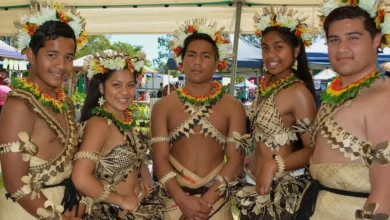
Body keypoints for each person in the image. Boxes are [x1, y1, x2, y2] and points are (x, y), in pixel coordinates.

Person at [295, 1, 390, 219]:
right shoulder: (335, 91)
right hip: (318, 205)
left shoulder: (383, 98)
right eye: (334, 40)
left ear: (376, 40)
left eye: (353, 38)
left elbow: (386, 191)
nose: (342, 48)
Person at [151, 18, 249, 220]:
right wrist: (183, 201)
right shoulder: (162, 107)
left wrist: (204, 205)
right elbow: (159, 159)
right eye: (191, 55)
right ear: (182, 60)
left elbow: (235, 161)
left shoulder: (234, 107)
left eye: (205, 56)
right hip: (173, 200)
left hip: (216, 203)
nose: (197, 62)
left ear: (217, 62)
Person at [0, 2, 88, 220]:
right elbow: (14, 183)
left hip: (66, 203)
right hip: (26, 211)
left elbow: (72, 162)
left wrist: (80, 202)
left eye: (68, 57)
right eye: (52, 54)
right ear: (30, 55)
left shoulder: (66, 103)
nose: (61, 65)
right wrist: (57, 217)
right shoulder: (19, 106)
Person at [237, 6, 317, 220]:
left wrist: (273, 165)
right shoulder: (266, 86)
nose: (270, 55)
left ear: (296, 49)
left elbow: (312, 149)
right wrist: (254, 157)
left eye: (278, 47)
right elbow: (271, 137)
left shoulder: (298, 92)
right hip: (254, 185)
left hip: (283, 190)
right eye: (265, 48)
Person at [72, 51, 164, 219]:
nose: (125, 92)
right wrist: (120, 200)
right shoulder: (99, 124)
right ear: (101, 87)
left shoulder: (123, 119)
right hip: (109, 213)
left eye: (130, 85)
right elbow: (80, 178)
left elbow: (135, 157)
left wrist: (145, 176)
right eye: (116, 85)